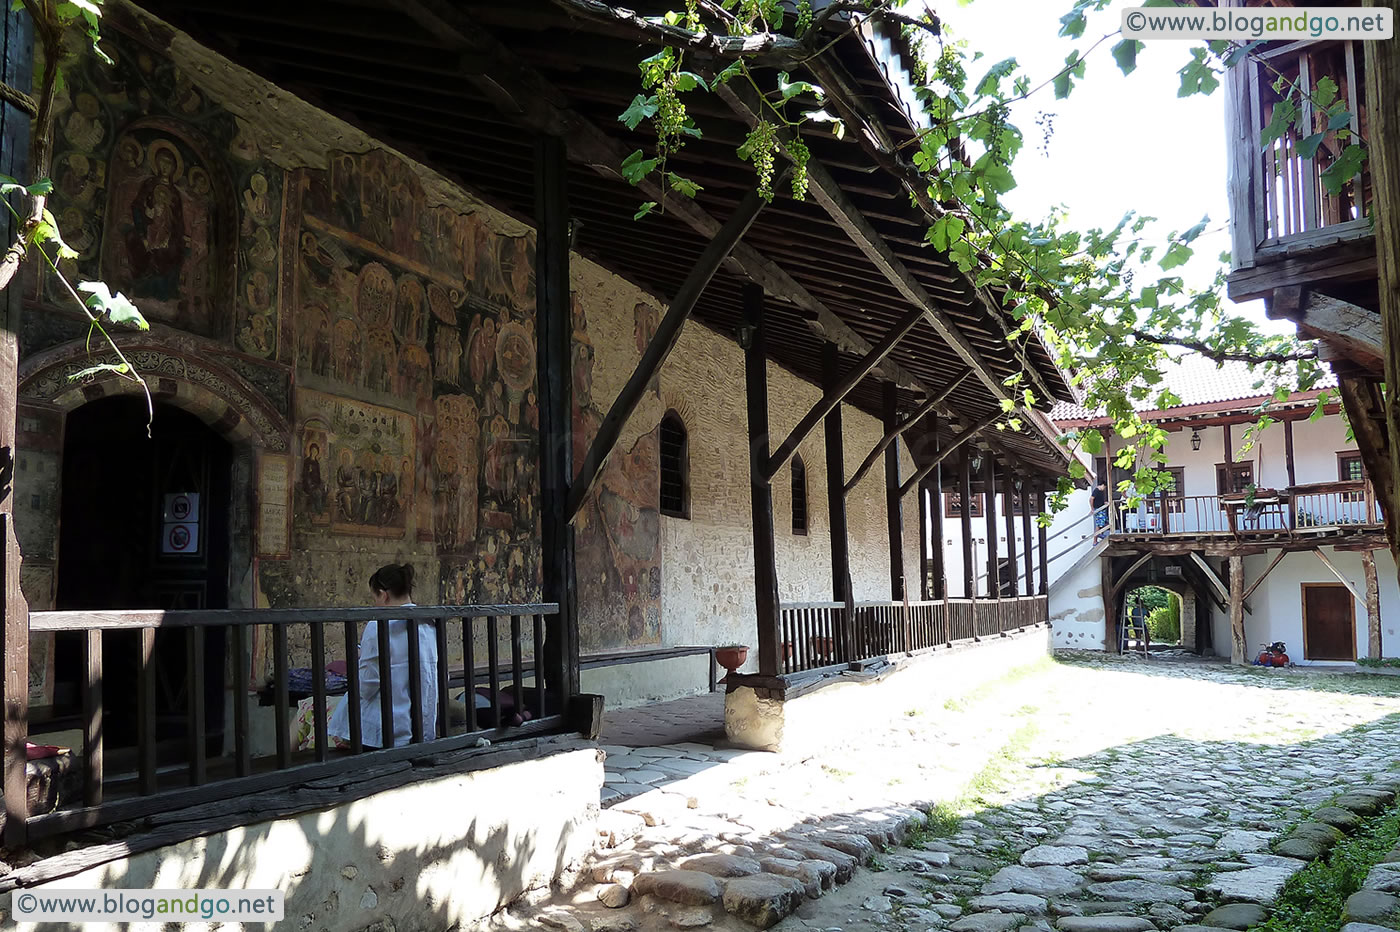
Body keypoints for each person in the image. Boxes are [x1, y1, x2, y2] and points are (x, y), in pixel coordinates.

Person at [326, 563, 438, 749]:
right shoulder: (429, 623)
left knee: (328, 706)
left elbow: (366, 688)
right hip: (424, 728)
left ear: (383, 594)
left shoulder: (379, 625)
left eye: (374, 597)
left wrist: (361, 659)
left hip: (389, 731)